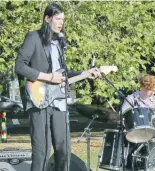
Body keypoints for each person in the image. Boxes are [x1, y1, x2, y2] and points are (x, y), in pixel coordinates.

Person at [15, 3, 100, 171]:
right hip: (39, 100)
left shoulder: (59, 43)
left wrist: (86, 73)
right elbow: (20, 66)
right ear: (47, 19)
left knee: (63, 150)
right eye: (58, 18)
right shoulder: (34, 37)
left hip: (58, 101)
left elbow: (63, 74)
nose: (61, 22)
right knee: (42, 152)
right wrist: (49, 77)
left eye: (63, 19)